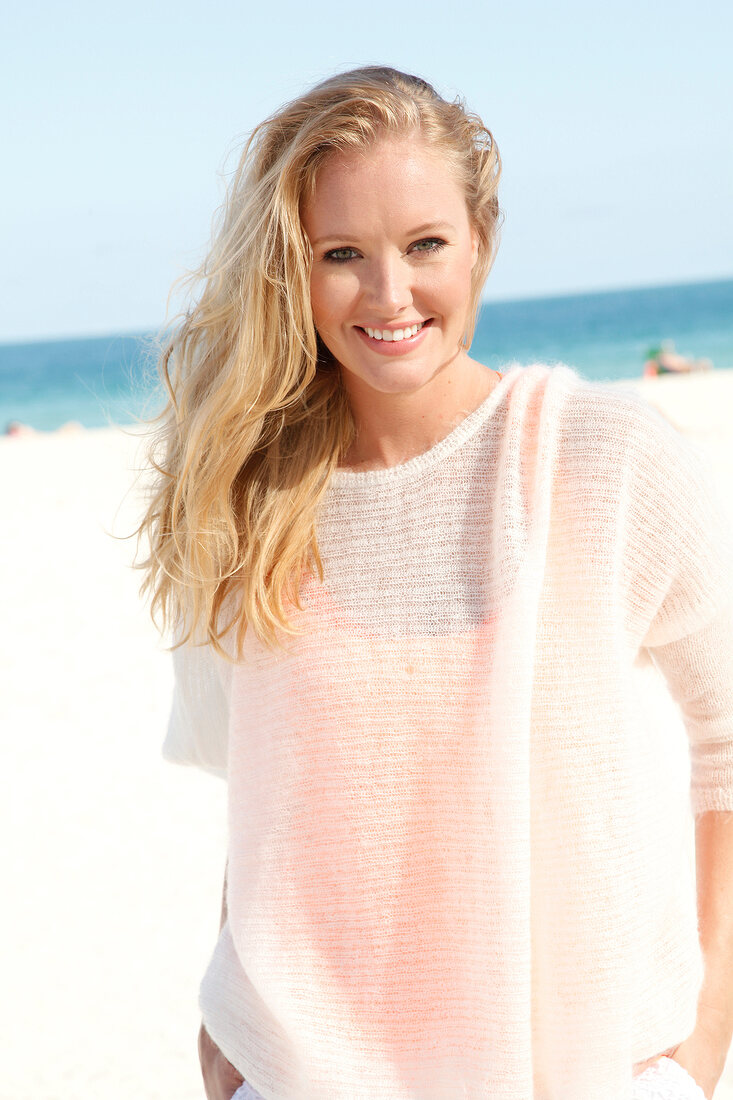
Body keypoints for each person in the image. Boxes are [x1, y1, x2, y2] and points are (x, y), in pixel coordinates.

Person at [136, 67, 733, 1100]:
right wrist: (230, 1030)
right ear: (292, 269)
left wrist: (703, 1038)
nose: (388, 293)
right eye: (340, 255)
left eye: (424, 244)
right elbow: (264, 795)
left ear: (480, 244)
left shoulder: (605, 455)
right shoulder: (244, 497)